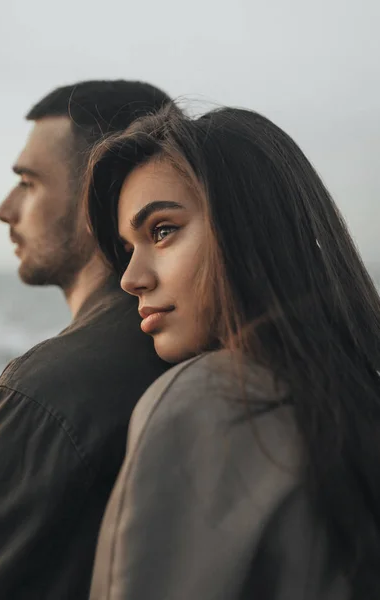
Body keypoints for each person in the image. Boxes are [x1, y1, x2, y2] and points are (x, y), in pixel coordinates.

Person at [84, 106, 380, 599]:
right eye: (128, 248)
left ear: (251, 227)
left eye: (162, 230)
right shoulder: (357, 398)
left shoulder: (209, 399)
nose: (131, 279)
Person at [0, 81, 172, 600]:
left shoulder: (45, 391)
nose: (5, 208)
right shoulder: (205, 343)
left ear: (100, 194)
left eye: (28, 182)